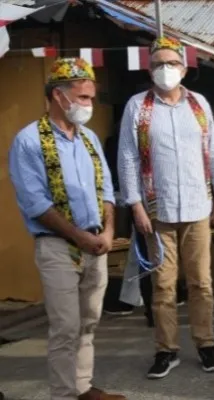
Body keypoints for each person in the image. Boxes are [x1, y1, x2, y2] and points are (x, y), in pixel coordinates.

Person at [8, 58, 125, 400]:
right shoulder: (30, 141)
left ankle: (83, 387)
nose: (89, 105)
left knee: (88, 323)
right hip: (58, 246)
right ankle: (63, 394)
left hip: (95, 243)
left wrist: (106, 231)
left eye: (90, 98)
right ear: (59, 96)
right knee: (65, 328)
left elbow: (105, 189)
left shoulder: (88, 138)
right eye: (84, 97)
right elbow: (36, 204)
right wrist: (80, 237)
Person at [118, 36, 214, 379]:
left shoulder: (198, 104)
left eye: (171, 63)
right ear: (150, 69)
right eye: (158, 64)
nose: (164, 70)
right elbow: (127, 158)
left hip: (198, 206)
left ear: (183, 67)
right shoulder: (138, 106)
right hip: (158, 209)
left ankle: (205, 342)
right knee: (164, 286)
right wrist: (135, 204)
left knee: (202, 282)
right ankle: (166, 350)